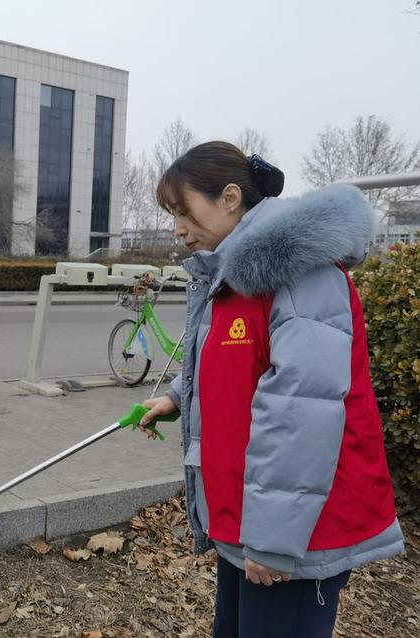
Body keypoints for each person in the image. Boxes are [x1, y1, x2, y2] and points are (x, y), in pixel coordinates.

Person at [138, 141, 403, 638]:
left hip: (294, 532)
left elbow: (303, 410)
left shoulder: (302, 274)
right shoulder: (234, 277)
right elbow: (232, 363)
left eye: (183, 210)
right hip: (252, 516)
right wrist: (178, 395)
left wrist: (276, 541)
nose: (177, 228)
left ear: (230, 197)